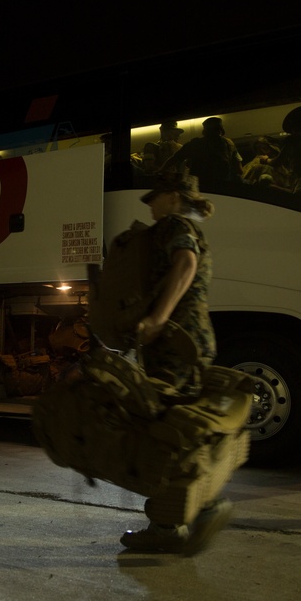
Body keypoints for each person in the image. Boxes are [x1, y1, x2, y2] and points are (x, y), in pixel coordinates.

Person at [119, 170, 232, 554]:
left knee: (165, 429)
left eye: (154, 197)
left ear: (171, 196)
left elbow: (185, 264)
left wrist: (157, 318)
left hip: (174, 342)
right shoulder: (192, 227)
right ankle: (189, 512)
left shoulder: (173, 225)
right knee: (185, 427)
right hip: (193, 338)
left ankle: (176, 521)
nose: (149, 205)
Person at [163, 117, 243, 193]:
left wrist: (161, 170)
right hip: (223, 187)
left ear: (205, 131)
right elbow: (239, 169)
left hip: (200, 187)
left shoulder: (195, 144)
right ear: (220, 130)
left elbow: (175, 158)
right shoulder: (229, 144)